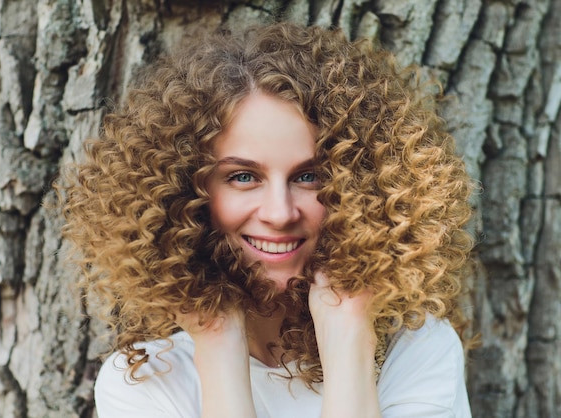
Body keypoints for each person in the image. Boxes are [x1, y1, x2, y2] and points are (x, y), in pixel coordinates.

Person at [60, 22, 475, 418]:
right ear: (188, 193)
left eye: (308, 176)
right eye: (243, 177)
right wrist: (218, 343)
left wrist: (349, 335)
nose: (280, 213)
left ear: (362, 188)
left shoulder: (417, 350)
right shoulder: (145, 383)